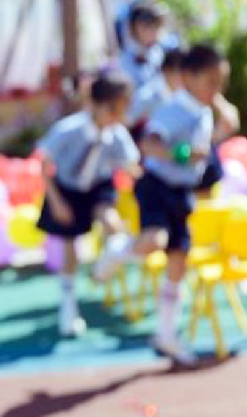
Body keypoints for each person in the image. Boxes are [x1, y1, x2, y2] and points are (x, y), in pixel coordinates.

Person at [96, 44, 230, 366]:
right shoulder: (174, 109)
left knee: (178, 262)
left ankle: (166, 334)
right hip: (157, 185)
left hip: (182, 191)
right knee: (154, 241)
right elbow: (150, 144)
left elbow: (231, 122)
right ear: (189, 77)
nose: (216, 89)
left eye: (220, 83)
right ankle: (118, 249)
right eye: (211, 82)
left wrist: (216, 100)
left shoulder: (205, 110)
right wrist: (183, 154)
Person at [36, 71, 141, 337]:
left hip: (98, 187)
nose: (118, 115)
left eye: (122, 109)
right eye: (114, 109)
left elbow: (131, 166)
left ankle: (103, 268)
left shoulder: (117, 134)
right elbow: (45, 164)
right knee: (71, 249)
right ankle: (68, 306)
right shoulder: (69, 129)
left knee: (112, 224)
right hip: (68, 189)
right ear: (97, 104)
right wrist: (57, 202)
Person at [127, 48, 184, 141]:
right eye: (181, 72)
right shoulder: (147, 96)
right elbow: (128, 124)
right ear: (167, 71)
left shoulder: (183, 96)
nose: (185, 78)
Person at [118, 2, 167, 88]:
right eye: (148, 27)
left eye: (156, 27)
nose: (154, 33)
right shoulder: (127, 59)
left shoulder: (158, 52)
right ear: (134, 29)